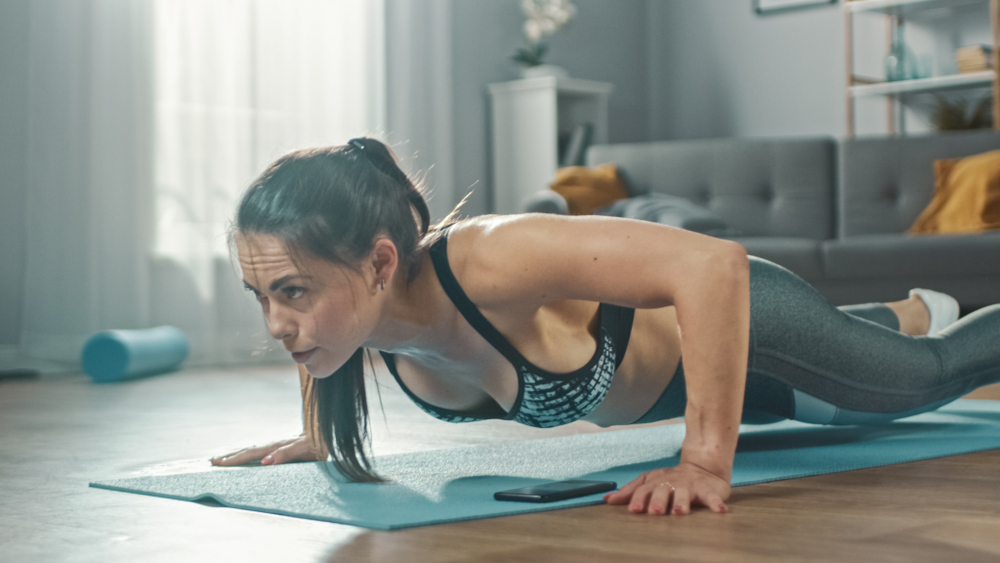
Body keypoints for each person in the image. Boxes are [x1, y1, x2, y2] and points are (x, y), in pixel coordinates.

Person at [211, 137, 1000, 516]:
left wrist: (703, 462)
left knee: (926, 376)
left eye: (291, 291)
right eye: (260, 297)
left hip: (748, 331)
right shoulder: (349, 319)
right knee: (856, 367)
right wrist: (319, 432)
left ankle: (917, 329)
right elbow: (319, 335)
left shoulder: (490, 260)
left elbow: (713, 266)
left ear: (380, 262)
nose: (279, 324)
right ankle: (897, 312)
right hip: (726, 387)